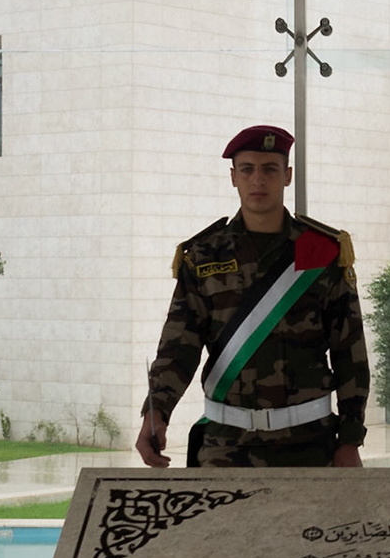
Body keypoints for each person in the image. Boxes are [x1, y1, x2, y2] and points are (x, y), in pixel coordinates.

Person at [135, 125, 370, 468]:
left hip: (310, 445)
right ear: (233, 177)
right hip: (225, 447)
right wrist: (156, 415)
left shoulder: (322, 252)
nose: (258, 180)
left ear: (287, 176)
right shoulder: (203, 257)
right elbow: (177, 349)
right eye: (247, 169)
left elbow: (350, 353)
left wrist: (350, 439)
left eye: (270, 169)